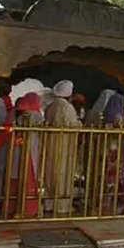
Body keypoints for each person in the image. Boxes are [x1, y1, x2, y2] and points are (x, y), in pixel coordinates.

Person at [44, 80, 82, 214]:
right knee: (63, 173)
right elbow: (72, 125)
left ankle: (48, 203)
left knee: (50, 172)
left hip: (51, 143)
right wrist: (79, 124)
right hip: (64, 144)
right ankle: (62, 205)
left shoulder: (51, 106)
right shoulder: (67, 107)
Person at [9, 92, 43, 217]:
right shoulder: (34, 114)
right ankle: (27, 209)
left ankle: (12, 207)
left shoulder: (18, 113)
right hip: (29, 149)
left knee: (15, 177)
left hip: (17, 148)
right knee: (28, 177)